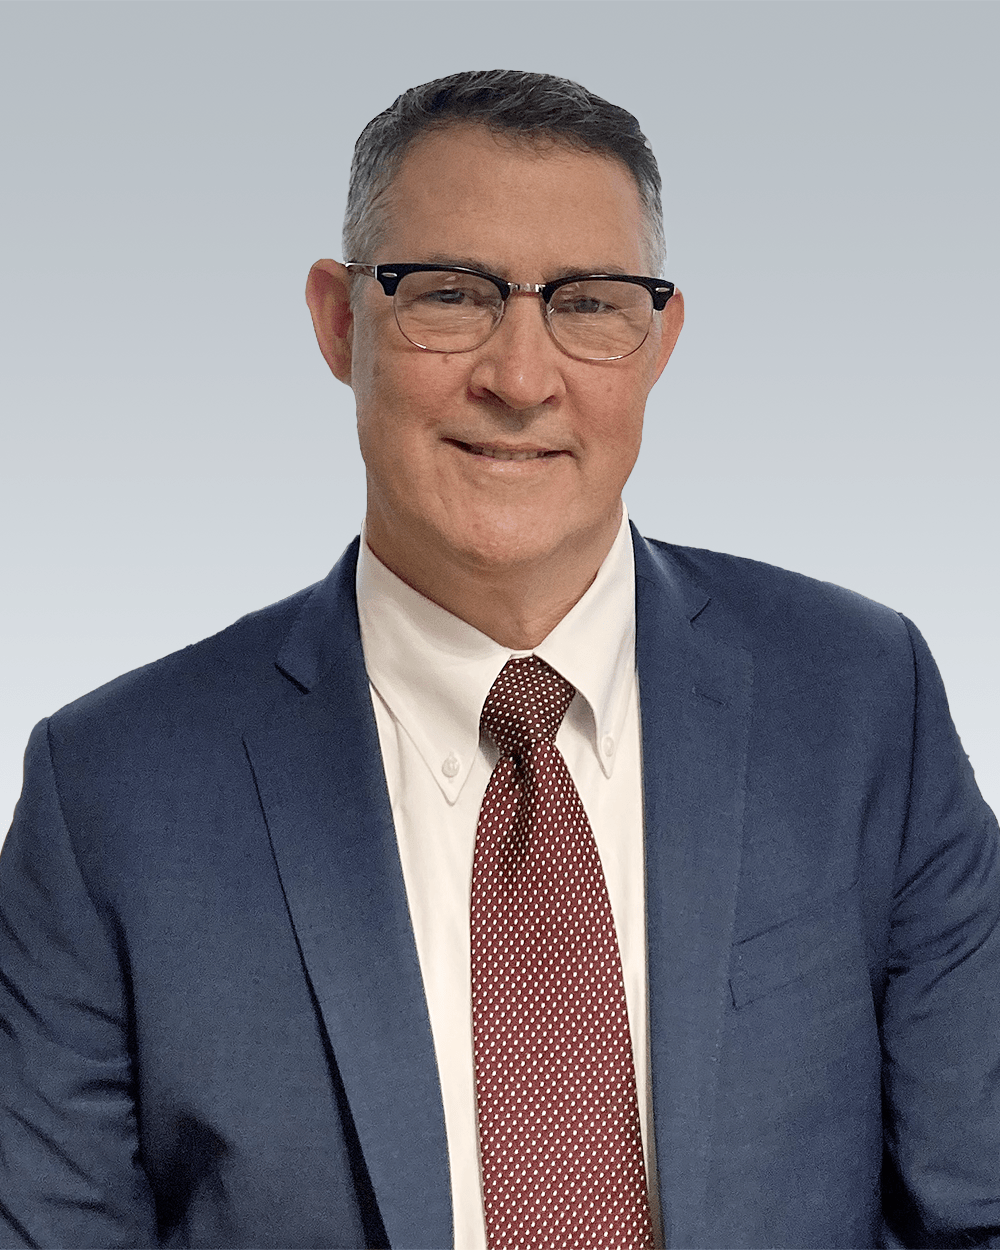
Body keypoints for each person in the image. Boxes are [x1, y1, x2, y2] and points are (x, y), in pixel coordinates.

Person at [1, 68, 998, 1250]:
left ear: (659, 338)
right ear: (337, 319)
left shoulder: (860, 697)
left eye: (589, 302)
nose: (520, 379)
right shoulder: (110, 789)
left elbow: (975, 1209)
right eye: (452, 295)